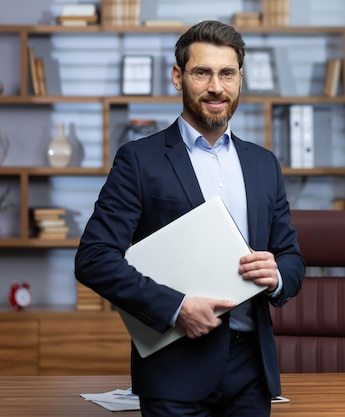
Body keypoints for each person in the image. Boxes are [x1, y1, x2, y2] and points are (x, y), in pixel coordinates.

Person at [74, 20, 305, 417]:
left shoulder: (264, 164)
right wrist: (175, 307)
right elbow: (94, 258)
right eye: (203, 72)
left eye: (227, 73)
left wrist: (278, 274)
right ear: (178, 77)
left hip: (252, 372)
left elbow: (292, 258)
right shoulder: (139, 160)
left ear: (239, 79)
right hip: (174, 374)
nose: (216, 86)